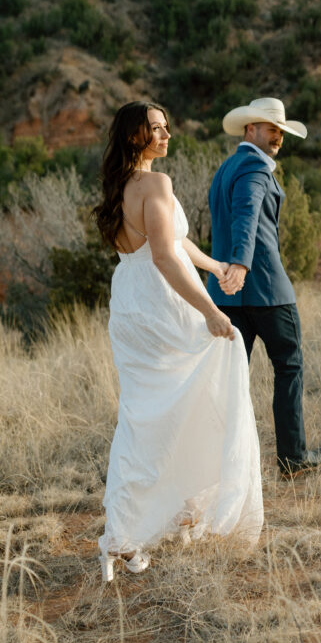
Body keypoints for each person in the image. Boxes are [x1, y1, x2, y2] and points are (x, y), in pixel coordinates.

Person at [94, 101, 263, 582]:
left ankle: (125, 540)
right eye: (156, 129)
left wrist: (216, 267)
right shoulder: (157, 184)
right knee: (205, 386)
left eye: (167, 126)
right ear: (135, 137)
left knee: (143, 417)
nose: (167, 135)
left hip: (129, 302)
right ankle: (188, 510)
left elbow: (172, 244)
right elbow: (166, 259)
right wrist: (211, 311)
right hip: (159, 302)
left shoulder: (123, 186)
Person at [207, 97, 321, 478]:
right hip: (265, 289)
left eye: (281, 131)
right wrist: (242, 263)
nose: (278, 137)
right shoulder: (257, 169)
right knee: (288, 367)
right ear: (250, 130)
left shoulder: (225, 169)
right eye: (271, 129)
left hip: (224, 293)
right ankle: (293, 458)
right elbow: (246, 216)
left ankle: (221, 465)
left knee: (229, 380)